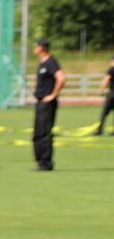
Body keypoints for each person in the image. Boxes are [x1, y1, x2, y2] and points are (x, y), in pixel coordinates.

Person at [31, 39, 65, 172]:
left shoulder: (51, 62)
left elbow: (61, 78)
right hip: (40, 102)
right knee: (37, 133)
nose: (34, 49)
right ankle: (40, 161)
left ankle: (46, 162)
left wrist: (52, 95)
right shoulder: (42, 63)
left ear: (42, 48)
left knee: (44, 133)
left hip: (47, 103)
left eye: (36, 46)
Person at [97, 57, 114, 135]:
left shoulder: (111, 69)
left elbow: (106, 80)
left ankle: (99, 130)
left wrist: (101, 90)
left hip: (112, 94)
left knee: (104, 113)